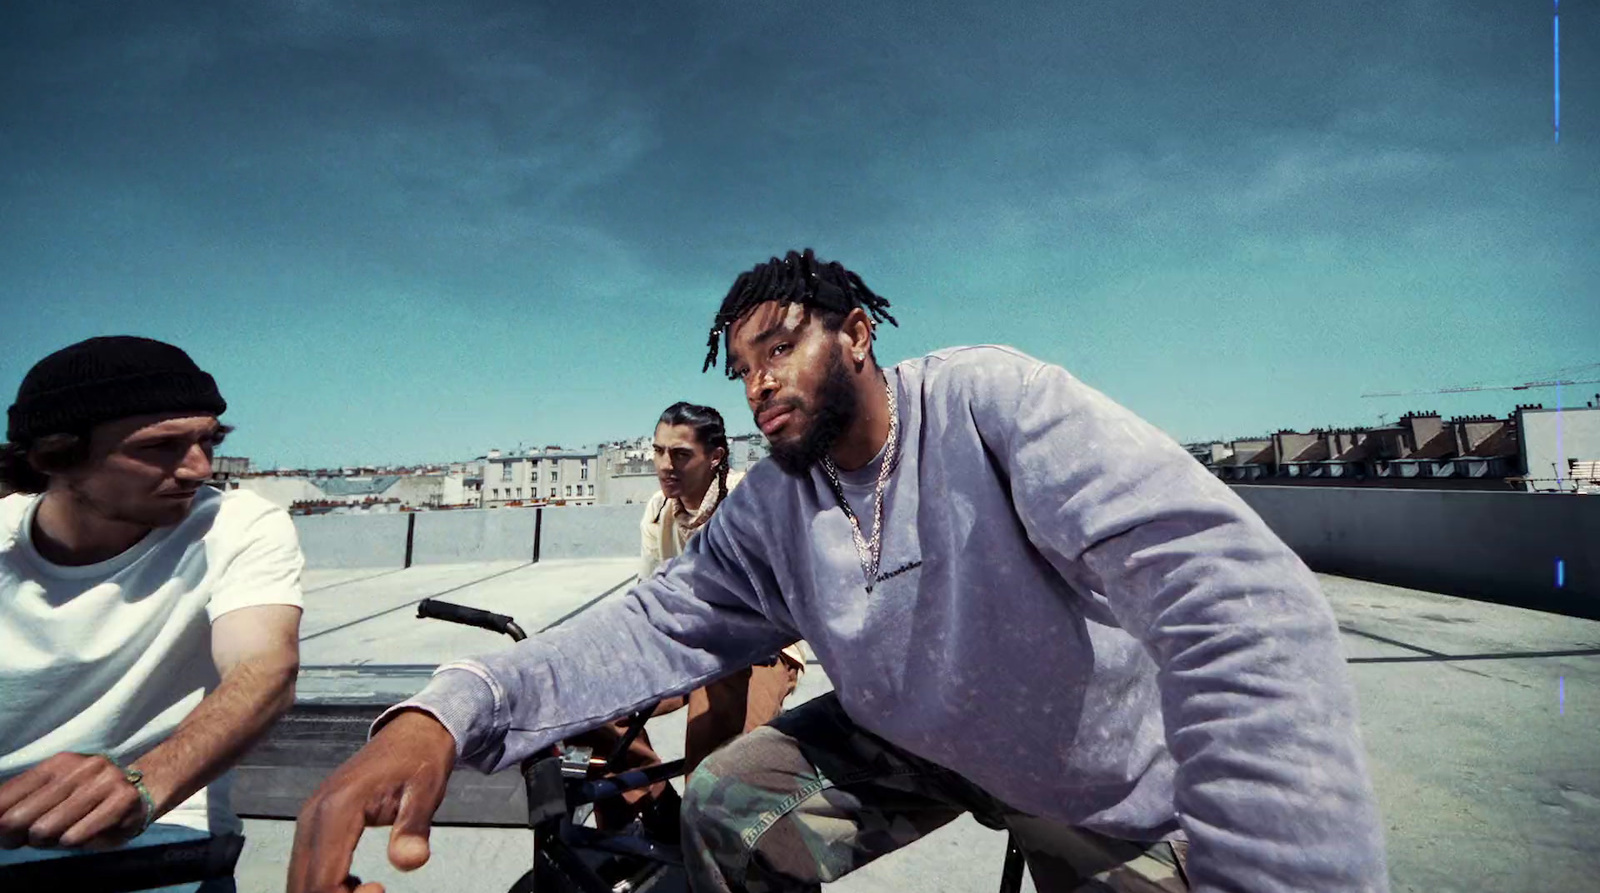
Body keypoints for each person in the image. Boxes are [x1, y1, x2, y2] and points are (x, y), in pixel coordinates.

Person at [288, 250, 1390, 893]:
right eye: (743, 368)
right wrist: (452, 706)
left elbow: (1230, 597)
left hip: (1108, 786)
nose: (760, 384)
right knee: (721, 801)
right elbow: (652, 622)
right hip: (913, 744)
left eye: (782, 348)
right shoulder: (775, 498)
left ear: (856, 333)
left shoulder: (991, 404)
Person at [0, 336, 305, 893]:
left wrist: (142, 788)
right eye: (161, 447)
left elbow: (265, 670)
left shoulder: (238, 526)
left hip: (162, 837)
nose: (198, 468)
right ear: (54, 457)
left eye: (208, 441)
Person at [567, 401, 806, 839]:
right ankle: (656, 816)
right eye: (658, 452)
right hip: (687, 650)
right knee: (589, 705)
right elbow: (647, 595)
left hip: (761, 652)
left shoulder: (750, 497)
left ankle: (712, 834)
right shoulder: (659, 509)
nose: (664, 465)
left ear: (715, 456)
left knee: (724, 761)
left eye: (679, 455)